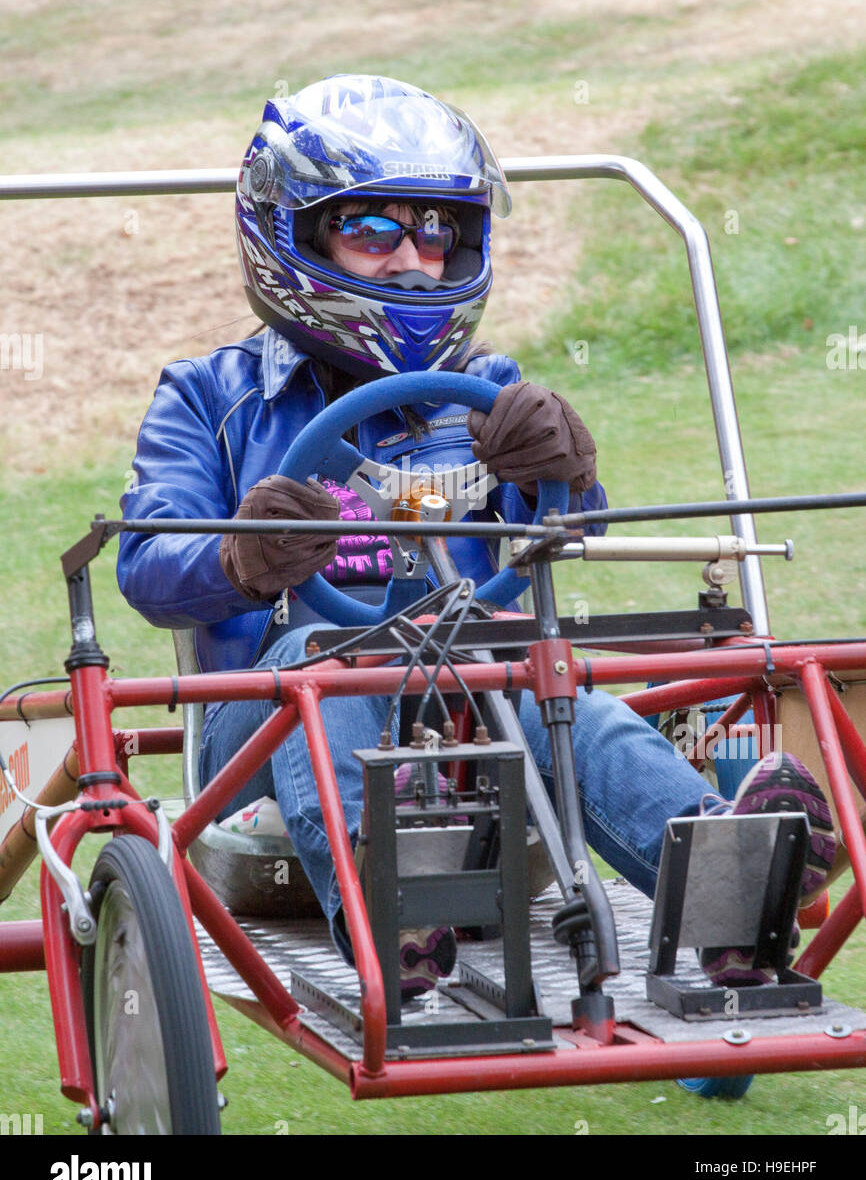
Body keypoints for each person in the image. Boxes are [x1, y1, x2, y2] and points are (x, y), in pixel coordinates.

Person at [116, 74, 835, 996]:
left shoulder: (488, 383)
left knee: (548, 676)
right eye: (372, 231)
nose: (413, 261)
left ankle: (734, 899)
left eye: (434, 232)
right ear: (289, 235)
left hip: (473, 712)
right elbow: (143, 563)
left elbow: (564, 530)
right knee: (321, 656)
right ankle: (392, 902)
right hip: (261, 736)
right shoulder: (209, 395)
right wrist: (239, 558)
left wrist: (561, 472)